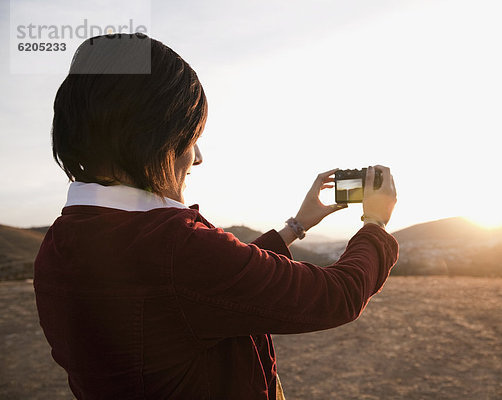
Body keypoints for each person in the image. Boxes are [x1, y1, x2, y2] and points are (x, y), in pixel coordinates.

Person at [34, 33, 399, 400]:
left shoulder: (61, 242)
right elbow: (336, 296)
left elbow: (202, 290)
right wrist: (375, 223)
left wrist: (295, 227)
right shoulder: (174, 248)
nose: (197, 156)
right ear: (156, 138)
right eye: (192, 136)